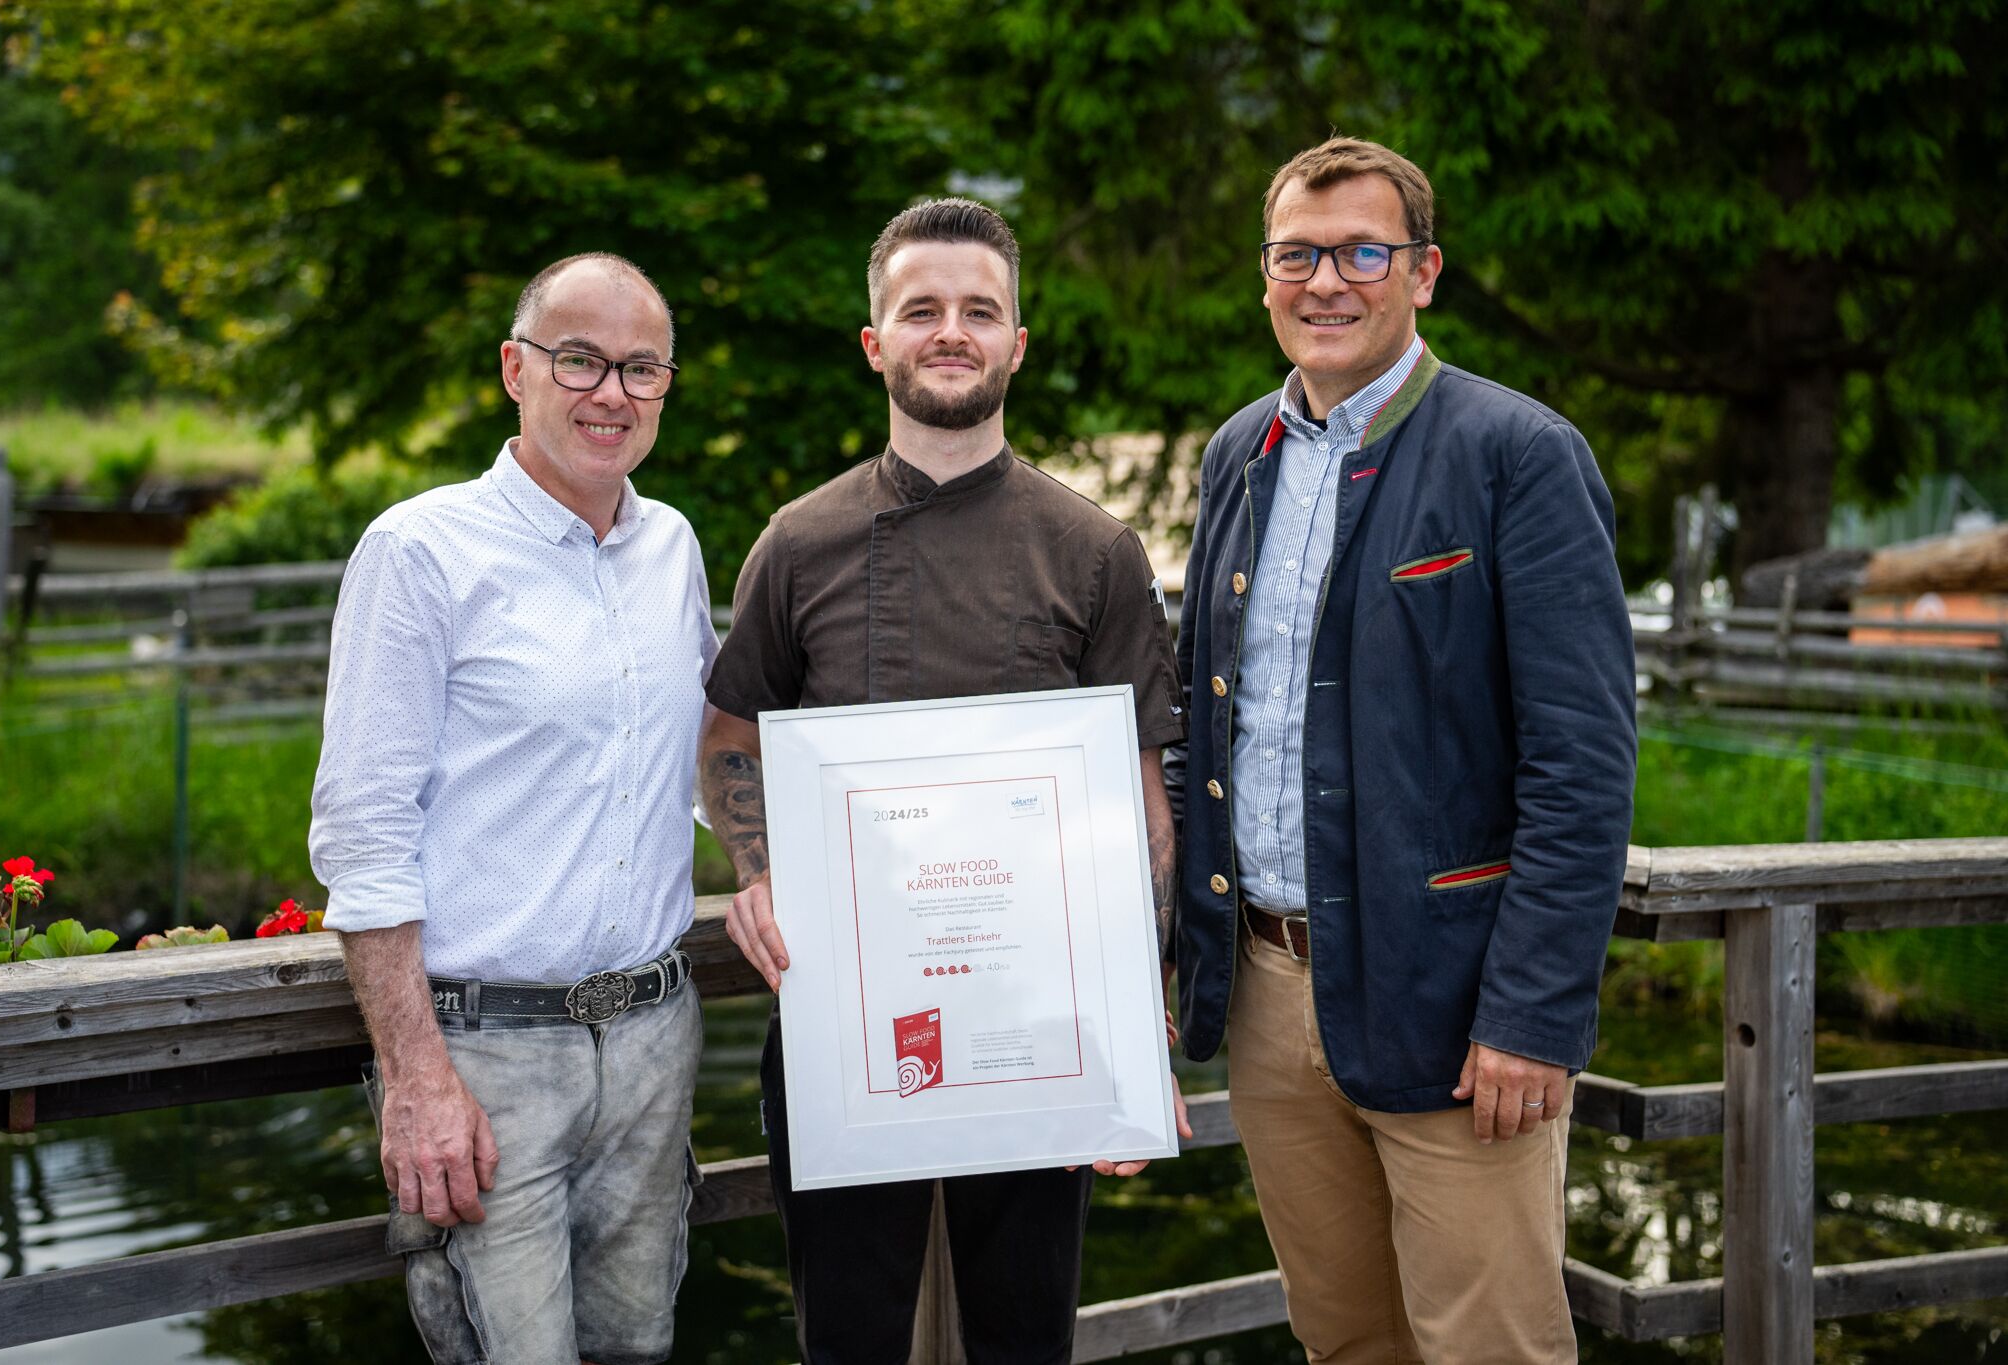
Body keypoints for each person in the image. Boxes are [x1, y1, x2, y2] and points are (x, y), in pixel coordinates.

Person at [1165, 137, 1637, 1364]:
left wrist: (1532, 1013)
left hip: (1455, 1007)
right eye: (1296, 255)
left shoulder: (1518, 454)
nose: (1325, 281)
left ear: (1422, 273)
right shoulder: (1236, 456)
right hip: (1266, 992)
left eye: (1361, 254)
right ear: (1264, 277)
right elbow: (1204, 728)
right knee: (1342, 1342)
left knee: (1487, 1348)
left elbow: (1580, 767)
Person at [698, 197, 1188, 1365]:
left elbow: (1141, 802)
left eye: (979, 310)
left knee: (1024, 1338)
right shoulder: (797, 542)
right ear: (876, 344)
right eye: (921, 310)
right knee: (847, 1338)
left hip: (1042, 1027)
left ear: (1017, 342)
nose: (951, 331)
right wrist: (756, 874)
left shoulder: (1093, 551)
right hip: (842, 1017)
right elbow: (729, 735)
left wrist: (1136, 1029)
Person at [309, 252, 717, 1365]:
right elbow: (364, 835)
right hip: (487, 1063)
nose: (611, 393)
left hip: (653, 1046)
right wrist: (415, 1077)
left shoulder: (671, 546)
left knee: (639, 1348)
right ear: (513, 369)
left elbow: (702, 767)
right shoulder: (418, 551)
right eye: (578, 359)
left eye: (641, 368)